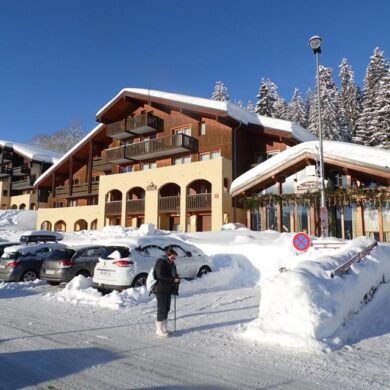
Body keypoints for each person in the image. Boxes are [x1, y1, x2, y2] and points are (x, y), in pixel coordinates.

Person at [152, 247, 180, 337]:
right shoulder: (161, 262)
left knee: (167, 308)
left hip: (167, 288)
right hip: (159, 288)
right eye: (172, 257)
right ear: (167, 255)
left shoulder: (171, 264)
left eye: (175, 258)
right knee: (161, 309)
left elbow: (172, 274)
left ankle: (164, 328)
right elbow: (160, 275)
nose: (173, 260)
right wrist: (173, 279)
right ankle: (158, 329)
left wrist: (176, 277)